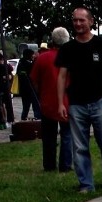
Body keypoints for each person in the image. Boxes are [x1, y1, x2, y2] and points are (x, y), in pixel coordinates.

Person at [56, 6, 102, 193]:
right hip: (76, 104)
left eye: (82, 20)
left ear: (91, 21)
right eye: (75, 20)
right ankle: (86, 184)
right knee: (79, 147)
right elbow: (62, 76)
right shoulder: (68, 48)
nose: (78, 23)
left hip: (99, 101)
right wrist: (60, 103)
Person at [29, 26, 72, 172]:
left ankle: (49, 165)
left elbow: (34, 80)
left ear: (52, 40)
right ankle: (65, 165)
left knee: (49, 136)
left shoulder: (42, 58)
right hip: (67, 102)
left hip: (47, 102)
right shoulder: (71, 58)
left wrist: (41, 93)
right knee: (67, 134)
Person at [16, 48, 40, 120]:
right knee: (35, 104)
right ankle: (37, 117)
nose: (33, 56)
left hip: (23, 89)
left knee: (25, 106)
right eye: (32, 54)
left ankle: (23, 118)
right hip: (31, 88)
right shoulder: (30, 64)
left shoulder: (20, 63)